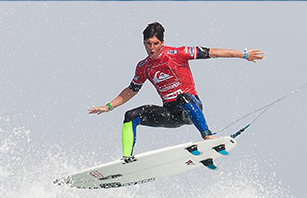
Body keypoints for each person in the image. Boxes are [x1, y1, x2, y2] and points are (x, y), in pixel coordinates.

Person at [88, 22, 264, 162]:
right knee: (131, 115)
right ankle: (127, 159)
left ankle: (207, 135)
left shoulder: (178, 53)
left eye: (155, 43)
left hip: (191, 108)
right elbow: (131, 90)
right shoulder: (143, 67)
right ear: (144, 43)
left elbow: (214, 53)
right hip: (170, 114)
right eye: (148, 44)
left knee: (182, 98)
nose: (152, 48)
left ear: (162, 43)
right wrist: (108, 106)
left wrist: (244, 55)